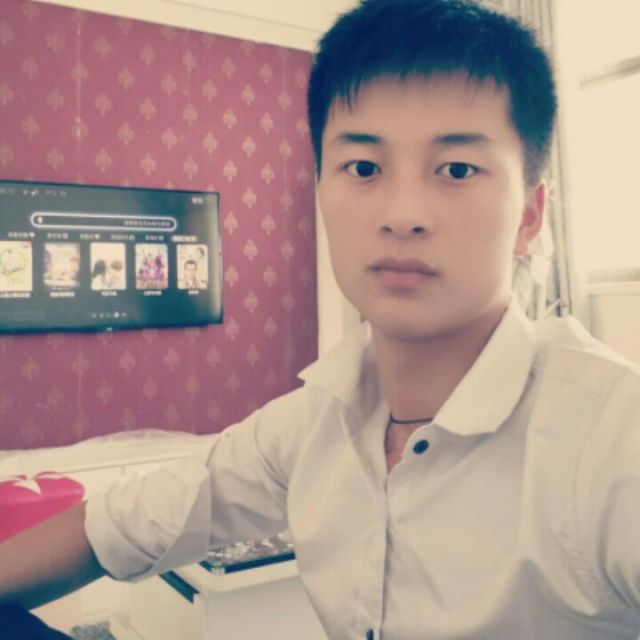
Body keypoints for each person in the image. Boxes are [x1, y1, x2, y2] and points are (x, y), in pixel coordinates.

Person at [1, 1, 639, 638]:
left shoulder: (610, 444)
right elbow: (121, 525)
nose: (402, 214)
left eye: (456, 169)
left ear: (530, 215)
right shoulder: (315, 421)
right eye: (363, 168)